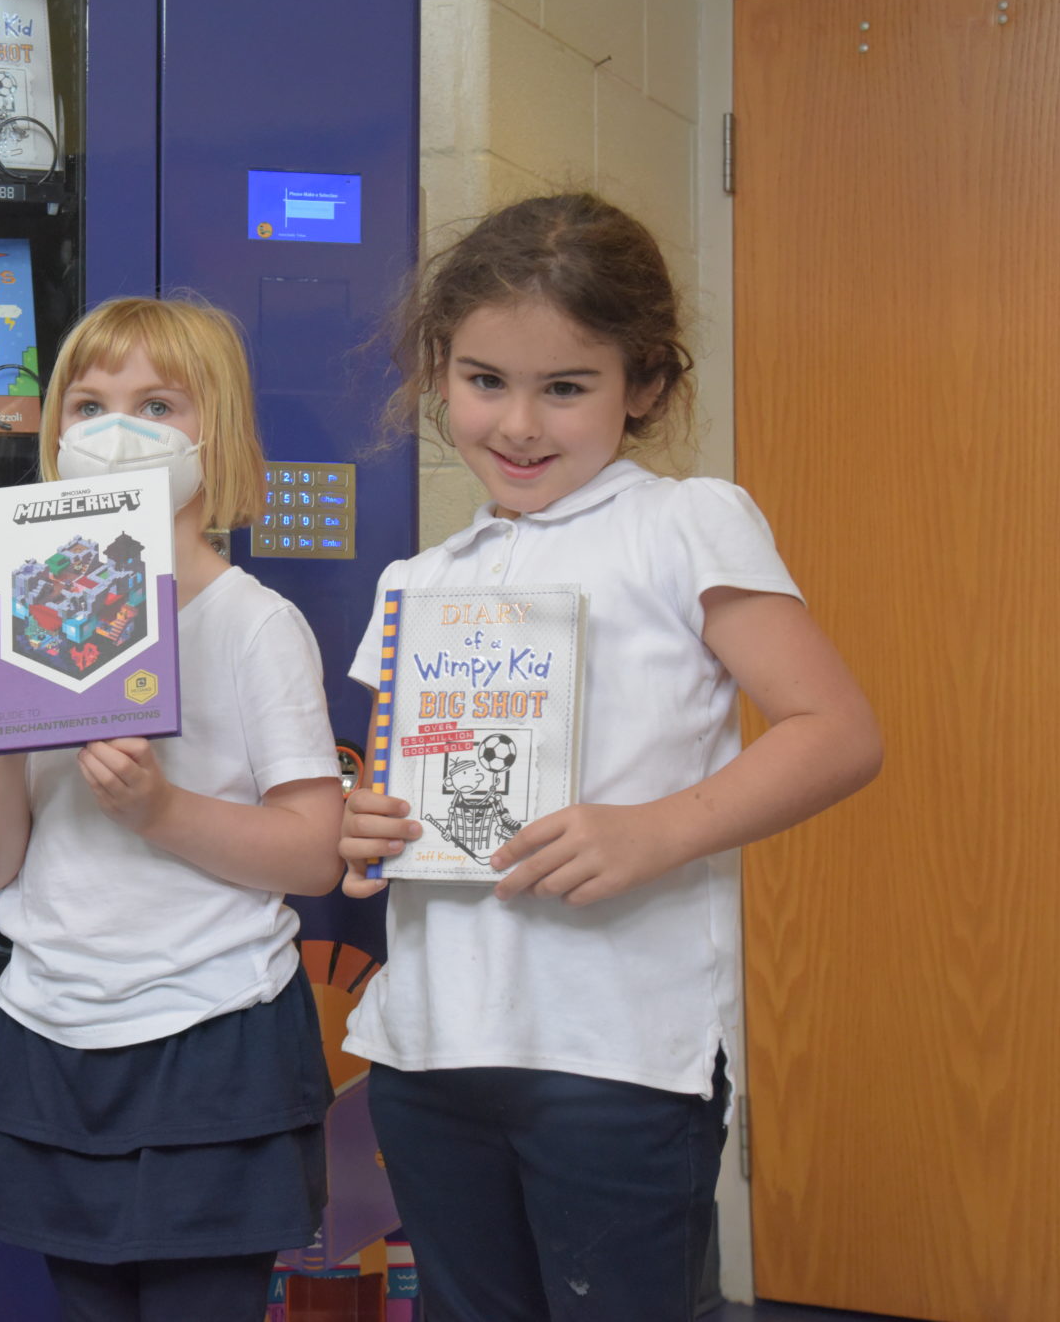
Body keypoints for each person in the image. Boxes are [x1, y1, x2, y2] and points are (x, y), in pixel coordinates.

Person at [338, 193, 884, 1321]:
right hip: (429, 1047)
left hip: (614, 1052)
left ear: (641, 385)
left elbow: (835, 731)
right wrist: (363, 827)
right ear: (439, 371)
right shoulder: (419, 579)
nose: (519, 422)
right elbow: (391, 788)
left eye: (566, 387)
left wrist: (652, 828)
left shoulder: (684, 521)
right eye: (484, 379)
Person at [0, 297, 346, 1322]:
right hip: (53, 1026)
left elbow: (312, 853)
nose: (114, 429)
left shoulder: (255, 624)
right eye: (87, 403)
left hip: (211, 1034)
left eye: (156, 403)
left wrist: (156, 805)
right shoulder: (30, 608)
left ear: (216, 437)